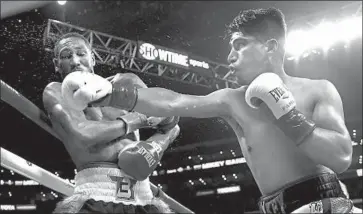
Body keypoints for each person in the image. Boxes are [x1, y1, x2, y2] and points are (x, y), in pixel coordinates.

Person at [73, 7, 361, 213]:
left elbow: (341, 157)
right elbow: (174, 101)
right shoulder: (232, 100)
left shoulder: (317, 90)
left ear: (270, 47)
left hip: (323, 202)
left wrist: (286, 113)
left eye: (240, 44)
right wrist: (116, 95)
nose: (230, 55)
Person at [42, 33, 180, 213]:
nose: (75, 61)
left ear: (92, 58)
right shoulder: (55, 91)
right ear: (56, 65)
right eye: (67, 56)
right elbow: (84, 134)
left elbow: (171, 123)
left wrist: (153, 147)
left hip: (143, 198)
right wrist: (139, 118)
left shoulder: (126, 83)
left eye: (81, 53)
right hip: (95, 198)